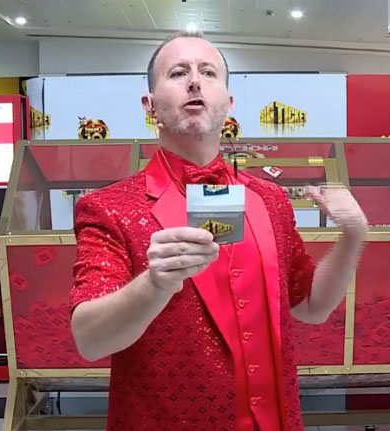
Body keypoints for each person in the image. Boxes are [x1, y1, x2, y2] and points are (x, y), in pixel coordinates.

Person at [70, 31, 367, 431]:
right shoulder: (109, 208)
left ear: (228, 102)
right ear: (149, 105)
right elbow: (90, 340)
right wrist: (154, 284)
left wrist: (352, 238)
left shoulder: (270, 200)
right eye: (178, 72)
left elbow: (311, 307)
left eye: (208, 72)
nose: (195, 81)